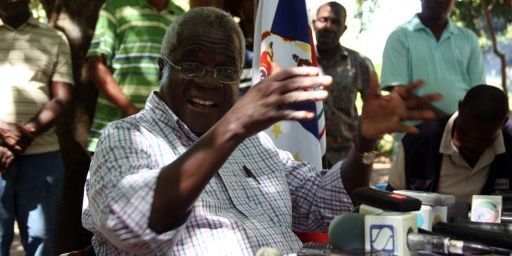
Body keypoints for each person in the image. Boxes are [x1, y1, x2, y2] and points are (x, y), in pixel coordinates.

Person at [82, 7, 440, 255]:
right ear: (163, 68)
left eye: (225, 72)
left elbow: (323, 202)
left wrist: (363, 141)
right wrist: (234, 125)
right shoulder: (126, 138)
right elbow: (130, 222)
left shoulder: (256, 146)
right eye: (192, 65)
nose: (208, 82)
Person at [0, 0, 74, 254]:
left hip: (42, 158)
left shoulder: (54, 38)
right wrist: (3, 131)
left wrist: (24, 135)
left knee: (41, 241)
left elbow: (62, 97)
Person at [86, 0, 184, 151]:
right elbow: (95, 65)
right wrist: (132, 111)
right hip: (115, 131)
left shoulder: (182, 18)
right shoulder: (116, 7)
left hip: (164, 136)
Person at [387, 85, 512, 203]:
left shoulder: (509, 144)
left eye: (483, 140)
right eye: (463, 132)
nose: (470, 144)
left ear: (503, 123)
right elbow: (391, 200)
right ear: (460, 108)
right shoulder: (418, 141)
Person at [381, 0, 485, 117]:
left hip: (462, 132)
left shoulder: (468, 38)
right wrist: (448, 122)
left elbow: (478, 92)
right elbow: (398, 93)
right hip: (415, 130)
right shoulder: (400, 37)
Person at [312, 2, 377, 167]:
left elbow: (373, 107)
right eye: (323, 20)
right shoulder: (299, 60)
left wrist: (363, 146)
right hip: (306, 151)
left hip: (345, 156)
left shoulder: (359, 63)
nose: (328, 26)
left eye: (335, 22)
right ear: (314, 24)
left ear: (344, 28)